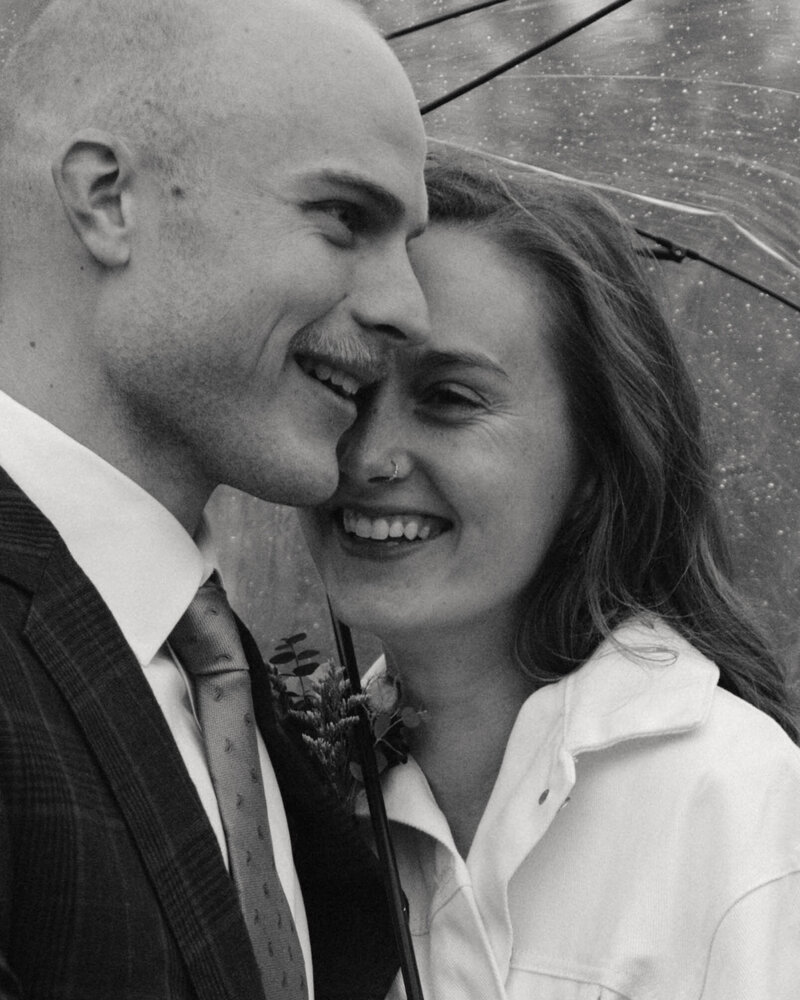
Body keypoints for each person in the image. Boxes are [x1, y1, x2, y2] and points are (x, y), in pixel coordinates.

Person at [0, 0, 430, 996]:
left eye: (407, 241)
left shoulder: (230, 677)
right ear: (109, 198)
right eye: (344, 220)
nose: (407, 307)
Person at [298, 149, 800, 999]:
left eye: (450, 398)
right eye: (347, 385)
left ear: (596, 464)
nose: (369, 458)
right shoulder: (282, 804)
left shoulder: (736, 808)